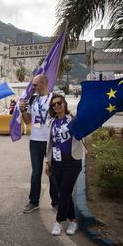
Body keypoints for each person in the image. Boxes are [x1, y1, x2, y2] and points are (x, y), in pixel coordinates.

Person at [19, 74, 59, 213]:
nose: (33, 87)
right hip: (35, 141)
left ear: (44, 83)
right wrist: (23, 110)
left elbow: (61, 116)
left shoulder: (55, 99)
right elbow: (28, 121)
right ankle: (33, 201)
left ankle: (56, 202)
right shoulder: (33, 100)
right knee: (36, 172)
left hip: (51, 140)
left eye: (35, 85)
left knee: (53, 172)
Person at [45, 94, 84, 236]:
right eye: (54, 104)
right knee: (63, 193)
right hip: (57, 162)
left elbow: (81, 134)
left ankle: (58, 222)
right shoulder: (52, 123)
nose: (57, 106)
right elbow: (50, 144)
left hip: (72, 161)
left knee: (65, 192)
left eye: (59, 103)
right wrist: (48, 163)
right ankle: (73, 221)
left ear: (64, 103)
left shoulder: (72, 119)